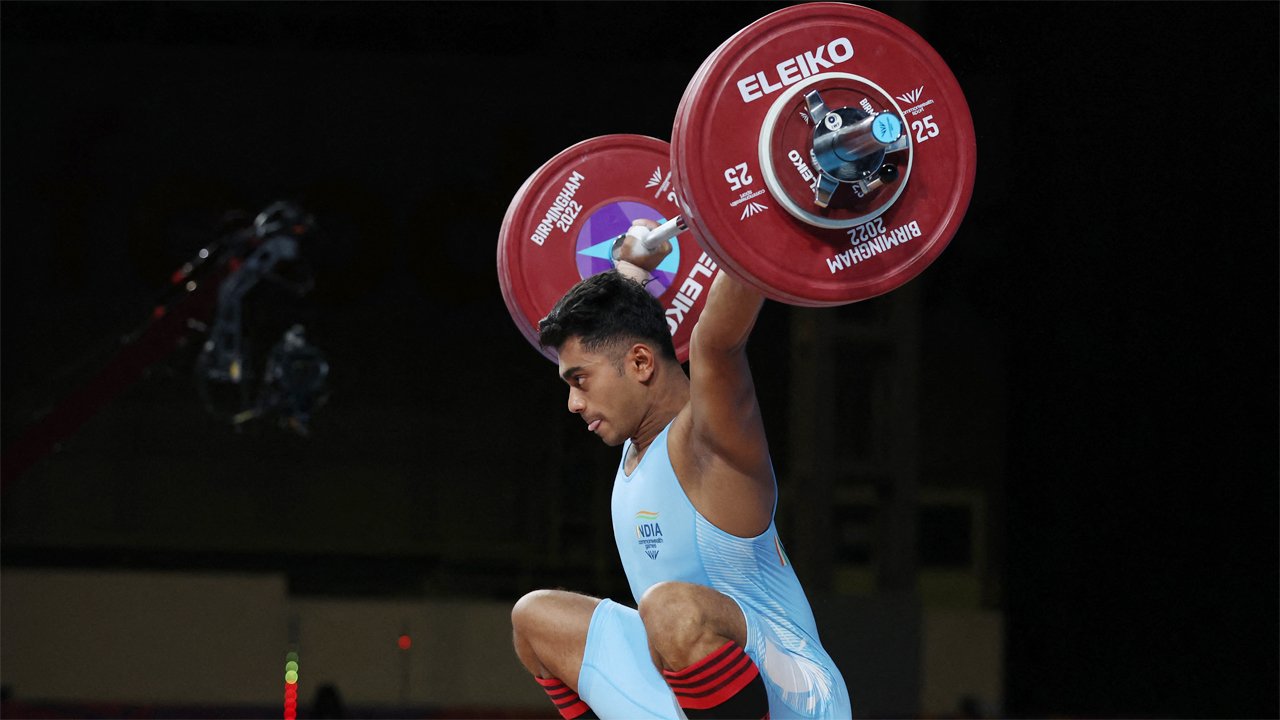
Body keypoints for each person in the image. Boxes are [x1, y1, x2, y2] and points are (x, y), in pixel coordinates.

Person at [511, 219, 851, 719]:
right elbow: (624, 330)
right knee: (535, 618)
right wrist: (631, 269)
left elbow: (717, 340)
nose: (573, 403)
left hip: (794, 694)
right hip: (692, 686)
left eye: (579, 380)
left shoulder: (708, 441)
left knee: (670, 610)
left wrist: (772, 208)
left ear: (643, 364)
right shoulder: (638, 442)